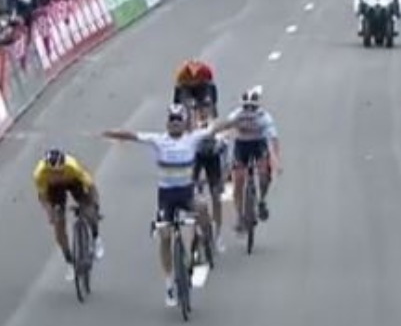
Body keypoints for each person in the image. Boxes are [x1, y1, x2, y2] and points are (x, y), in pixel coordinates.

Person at [102, 104, 234, 308]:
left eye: (178, 120)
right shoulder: (158, 140)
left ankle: (205, 240)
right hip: (166, 198)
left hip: (186, 194)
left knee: (202, 208)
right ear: (167, 123)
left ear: (184, 123)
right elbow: (132, 136)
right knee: (165, 236)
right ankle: (169, 284)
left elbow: (214, 128)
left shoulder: (192, 139)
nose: (175, 123)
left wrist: (236, 120)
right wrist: (110, 133)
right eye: (172, 120)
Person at [33, 149, 104, 280]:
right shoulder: (40, 173)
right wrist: (50, 213)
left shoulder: (73, 166)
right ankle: (70, 262)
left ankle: (96, 239)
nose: (57, 175)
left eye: (60, 172)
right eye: (53, 173)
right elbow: (43, 197)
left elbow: (91, 186)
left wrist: (95, 206)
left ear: (64, 166)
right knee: (59, 226)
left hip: (73, 181)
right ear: (47, 170)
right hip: (54, 189)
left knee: (89, 211)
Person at [227, 86, 281, 234]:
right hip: (241, 146)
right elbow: (227, 132)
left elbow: (273, 139)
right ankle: (239, 216)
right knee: (238, 181)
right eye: (246, 107)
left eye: (253, 107)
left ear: (258, 107)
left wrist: (276, 160)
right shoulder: (236, 115)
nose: (249, 110)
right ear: (242, 106)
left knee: (264, 175)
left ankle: (262, 200)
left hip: (258, 145)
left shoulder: (264, 117)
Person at [192, 96, 229, 253]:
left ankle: (218, 235)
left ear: (210, 109)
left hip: (213, 159)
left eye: (205, 107)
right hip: (196, 159)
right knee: (193, 197)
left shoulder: (216, 125)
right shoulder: (190, 125)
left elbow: (225, 148)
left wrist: (226, 171)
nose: (202, 111)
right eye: (199, 108)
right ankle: (197, 231)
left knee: (216, 196)